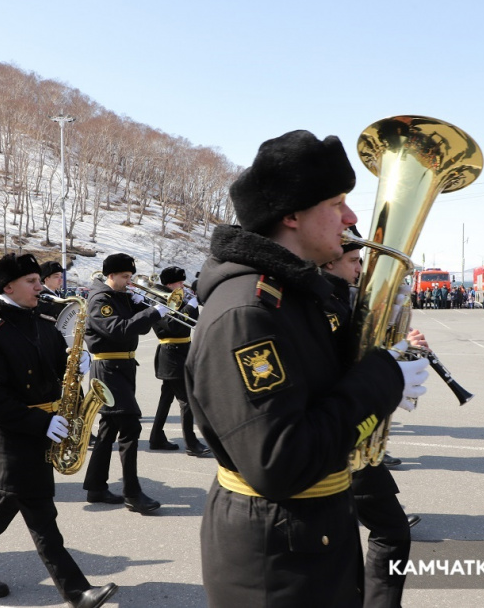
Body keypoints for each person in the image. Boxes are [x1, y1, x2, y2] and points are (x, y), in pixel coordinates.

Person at [184, 130, 429, 608]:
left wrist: (385, 364)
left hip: (312, 529)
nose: (354, 217)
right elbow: (280, 462)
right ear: (291, 215)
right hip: (277, 556)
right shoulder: (248, 313)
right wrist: (383, 378)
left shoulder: (296, 294)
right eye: (337, 203)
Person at [0, 253, 117, 608]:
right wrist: (42, 422)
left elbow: (59, 362)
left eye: (38, 280)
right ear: (7, 287)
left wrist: (79, 360)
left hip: (43, 430)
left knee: (3, 505)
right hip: (11, 436)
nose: (40, 286)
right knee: (41, 513)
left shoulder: (40, 319)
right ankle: (77, 592)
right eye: (31, 281)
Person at [322, 225, 423, 607]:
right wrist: (392, 368)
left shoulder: (341, 300)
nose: (359, 269)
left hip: (351, 434)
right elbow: (348, 368)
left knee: (368, 533)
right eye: (353, 260)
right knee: (390, 532)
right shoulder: (330, 305)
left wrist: (402, 353)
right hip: (345, 438)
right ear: (329, 262)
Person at [81, 253, 165, 513]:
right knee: (130, 426)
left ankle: (96, 486)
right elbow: (119, 329)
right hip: (108, 368)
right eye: (125, 277)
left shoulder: (118, 296)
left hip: (122, 367)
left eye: (130, 277)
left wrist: (142, 306)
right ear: (111, 276)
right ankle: (132, 493)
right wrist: (150, 312)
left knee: (109, 428)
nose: (129, 282)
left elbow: (137, 326)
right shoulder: (100, 299)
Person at [148, 265, 210, 456]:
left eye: (183, 281)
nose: (183, 285)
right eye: (179, 282)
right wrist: (189, 306)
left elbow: (193, 323)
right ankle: (191, 444)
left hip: (184, 351)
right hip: (170, 353)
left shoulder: (180, 297)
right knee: (187, 400)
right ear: (168, 283)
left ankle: (156, 437)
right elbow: (172, 327)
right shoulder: (157, 300)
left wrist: (191, 303)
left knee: (166, 399)